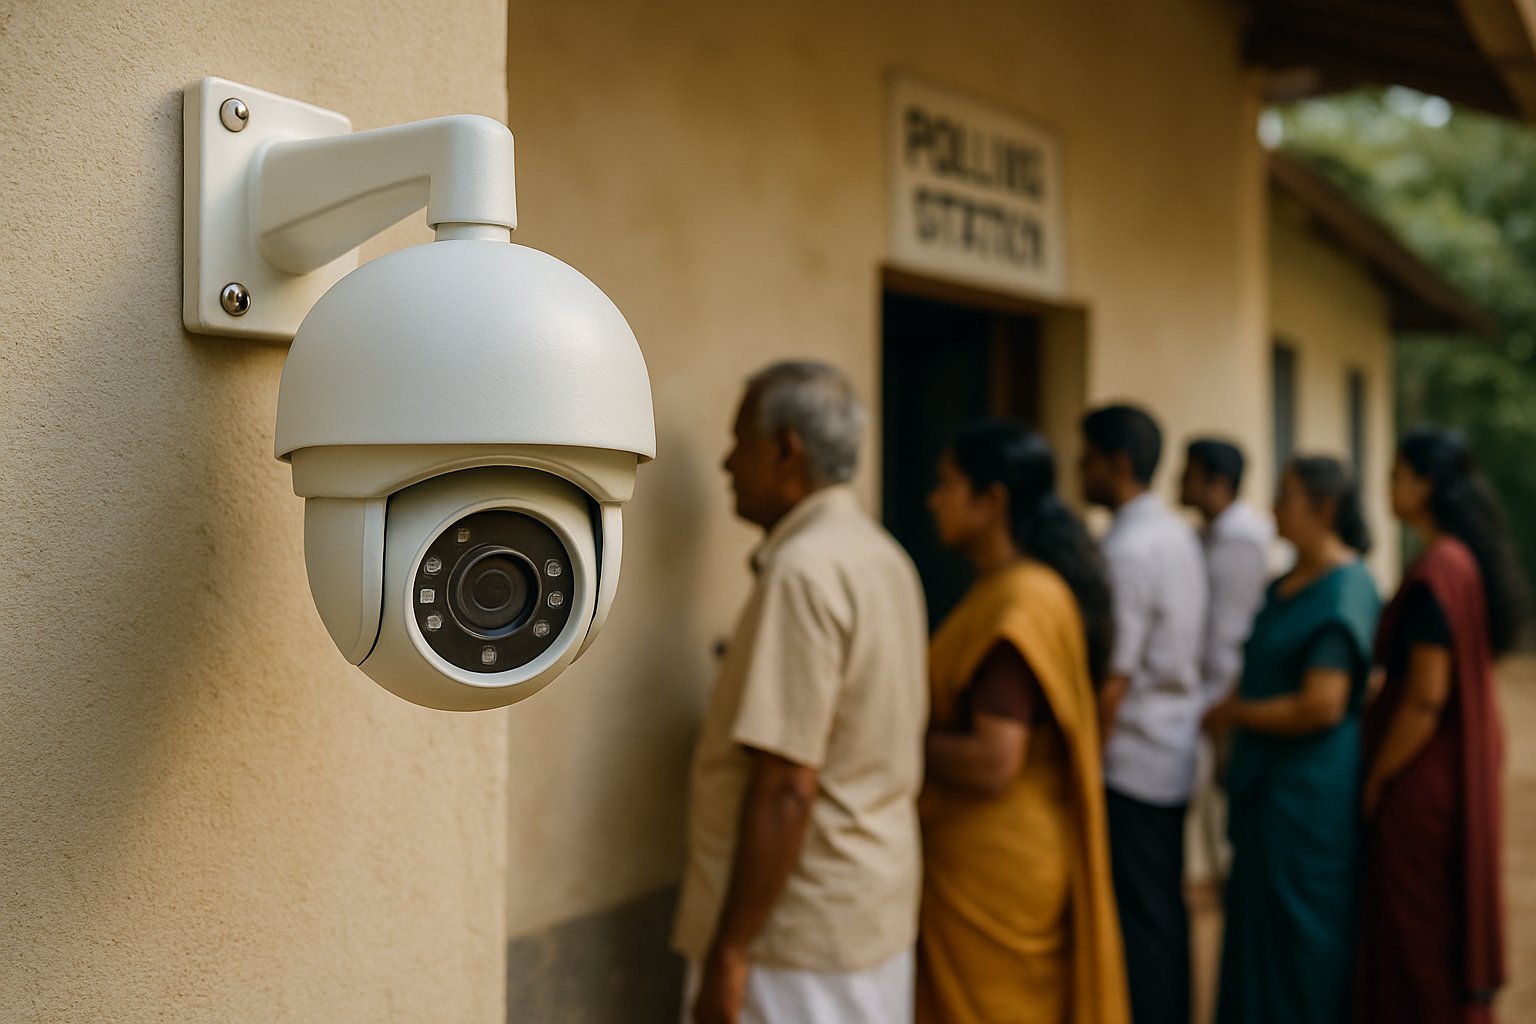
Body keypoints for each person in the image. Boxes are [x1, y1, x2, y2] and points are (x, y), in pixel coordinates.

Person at [673, 361, 929, 1024]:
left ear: (786, 449)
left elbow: (788, 784)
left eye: (739, 442)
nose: (728, 463)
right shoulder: (883, 556)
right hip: (866, 915)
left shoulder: (803, 571)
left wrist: (731, 954)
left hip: (795, 944)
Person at [917, 421, 1130, 1024]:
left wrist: (892, 741)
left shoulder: (1022, 601)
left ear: (993, 501)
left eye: (947, 484)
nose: (934, 499)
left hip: (995, 868)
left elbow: (993, 761)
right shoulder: (1009, 588)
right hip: (1002, 854)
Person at [1355, 428, 1530, 1024]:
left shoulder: (1439, 570)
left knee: (1417, 941)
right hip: (1438, 772)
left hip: (1417, 780)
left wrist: (1377, 779)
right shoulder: (1458, 561)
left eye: (1397, 475)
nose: (1388, 488)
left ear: (1424, 485)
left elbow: (1427, 698)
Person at [1202, 456, 1381, 1024]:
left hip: (1308, 798)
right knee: (1254, 939)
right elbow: (1254, 662)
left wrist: (1234, 718)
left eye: (1287, 495)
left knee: (1302, 941)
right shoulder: (1284, 585)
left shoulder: (1344, 589)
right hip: (1265, 791)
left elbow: (1321, 704)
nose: (1275, 507)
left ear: (1324, 509)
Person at [1079, 404, 1207, 1024]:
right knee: (1161, 909)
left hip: (1133, 756)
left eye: (1087, 459)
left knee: (1139, 919)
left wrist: (1083, 761)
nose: (1079, 472)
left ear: (1118, 465)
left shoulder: (1130, 548)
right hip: (1170, 743)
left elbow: (1115, 677)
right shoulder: (1174, 533)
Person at [1180, 439, 1274, 706]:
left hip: (1224, 688)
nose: (1180, 483)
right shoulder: (1203, 535)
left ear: (1219, 482)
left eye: (1189, 476)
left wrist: (1221, 701)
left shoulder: (1243, 540)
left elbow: (1230, 626)